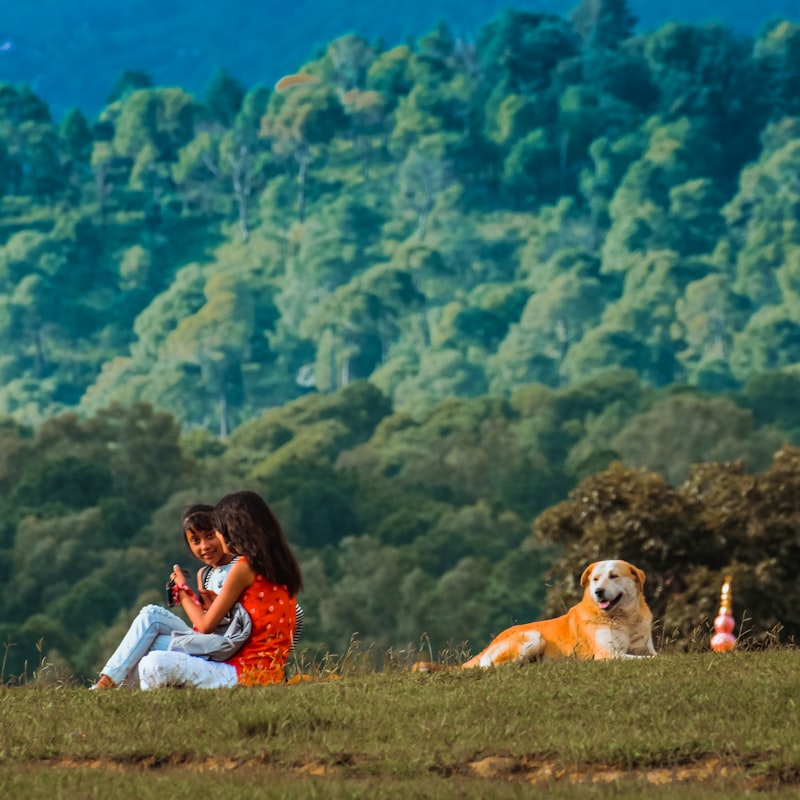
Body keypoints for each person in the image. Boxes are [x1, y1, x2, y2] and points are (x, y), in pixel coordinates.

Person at [137, 489, 303, 689]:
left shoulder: (244, 566)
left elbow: (205, 626)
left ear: (233, 530)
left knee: (152, 662)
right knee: (155, 647)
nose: (216, 536)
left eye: (217, 530)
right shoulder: (282, 567)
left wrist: (181, 590)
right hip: (265, 672)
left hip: (242, 672)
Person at [91, 504, 242, 689]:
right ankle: (107, 685)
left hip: (226, 646)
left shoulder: (239, 567)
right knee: (150, 623)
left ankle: (106, 686)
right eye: (196, 540)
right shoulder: (205, 574)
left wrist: (183, 592)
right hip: (207, 641)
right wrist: (195, 599)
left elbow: (210, 626)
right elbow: (205, 623)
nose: (205, 546)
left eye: (210, 536)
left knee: (151, 618)